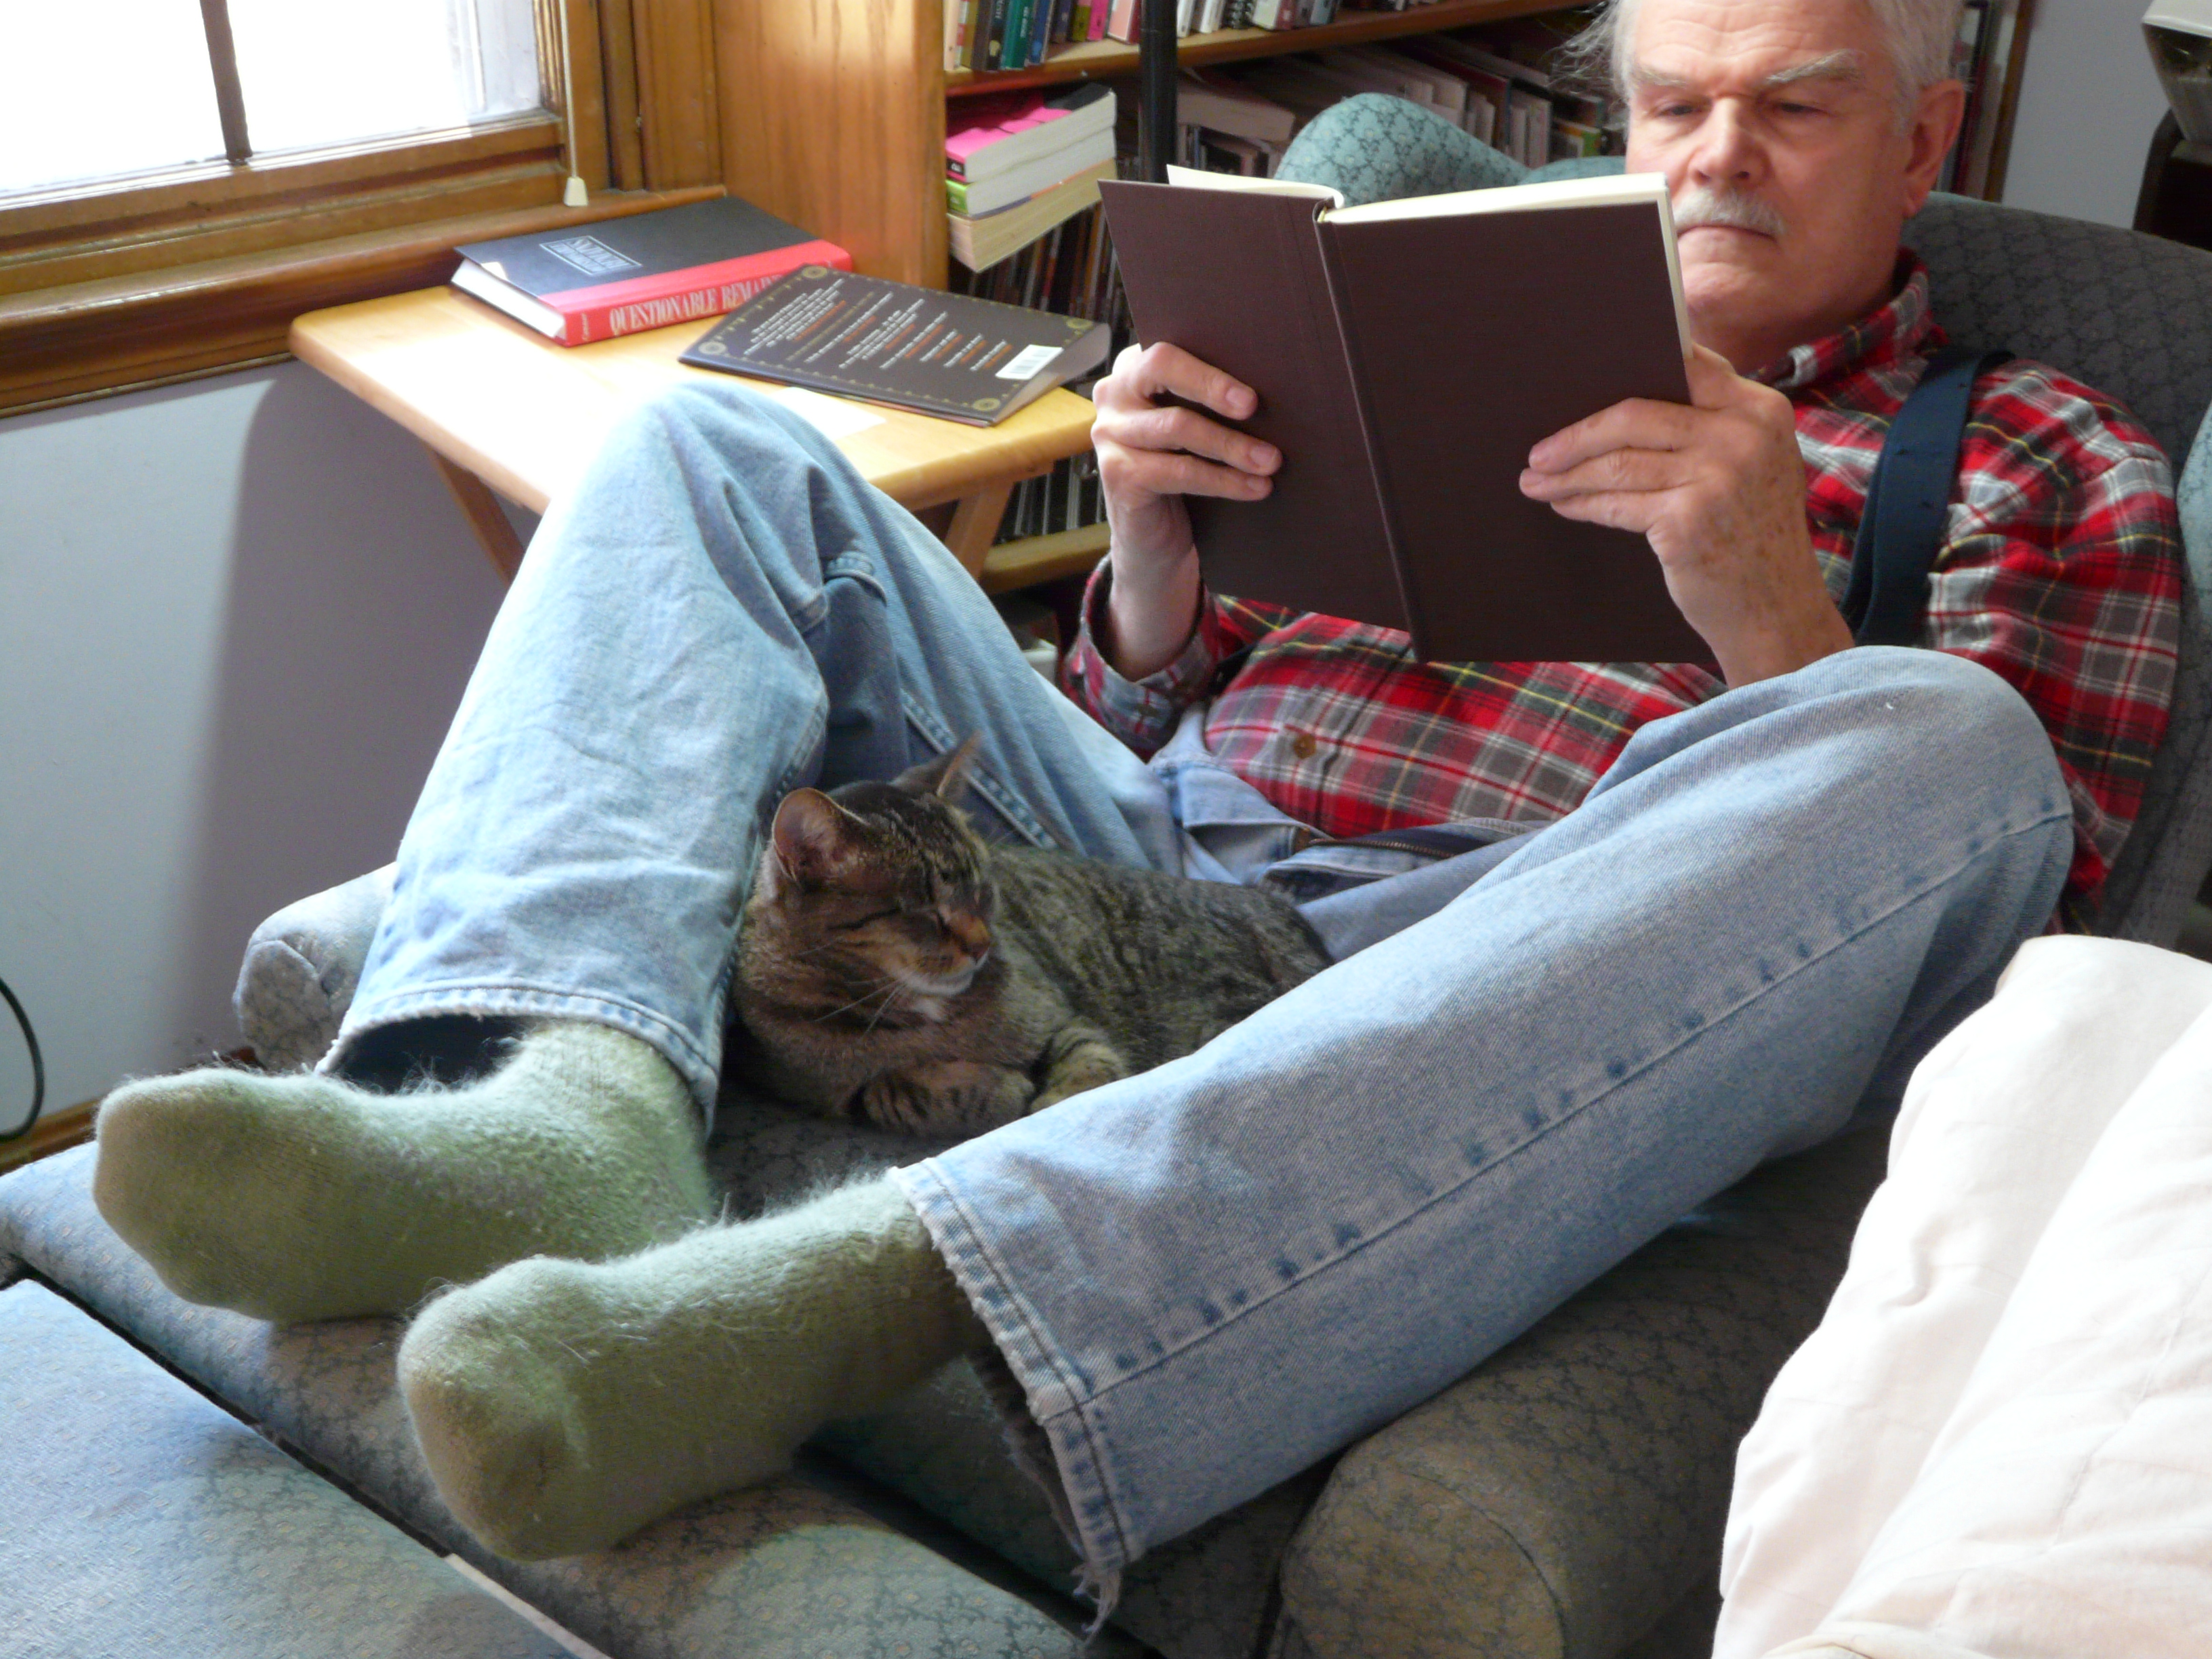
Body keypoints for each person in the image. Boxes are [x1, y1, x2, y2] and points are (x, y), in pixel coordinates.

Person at [91, 0, 2180, 1605]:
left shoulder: (2041, 458)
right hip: (1154, 860)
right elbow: (1123, 720)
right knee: (699, 447)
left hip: (1497, 969)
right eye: (1675, 105)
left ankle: (846, 1305)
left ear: (1923, 139)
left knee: (1948, 741)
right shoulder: (1459, 330)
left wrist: (1775, 617)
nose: (1718, 156)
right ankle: (568, 1123)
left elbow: (2014, 972)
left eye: (1795, 106)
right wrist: (1154, 574)